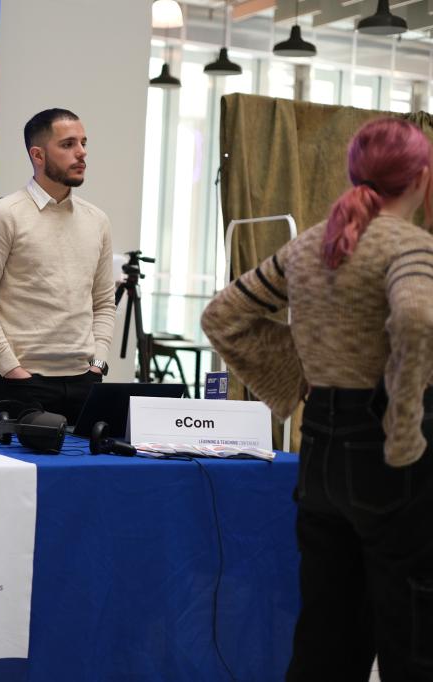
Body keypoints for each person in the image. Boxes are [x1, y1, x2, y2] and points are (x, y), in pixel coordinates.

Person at [201, 117, 433, 682]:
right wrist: (403, 427)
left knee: (327, 637)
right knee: (412, 639)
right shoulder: (410, 245)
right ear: (421, 178)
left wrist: (295, 376)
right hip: (389, 460)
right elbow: (416, 317)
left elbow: (222, 316)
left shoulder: (309, 245)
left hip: (322, 454)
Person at [0, 108, 116, 424]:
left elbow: (103, 304)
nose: (81, 153)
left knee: (91, 472)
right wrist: (11, 368)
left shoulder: (97, 220)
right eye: (68, 144)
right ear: (38, 154)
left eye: (83, 143)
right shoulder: (4, 215)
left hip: (84, 382)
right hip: (20, 383)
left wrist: (98, 362)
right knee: (21, 473)